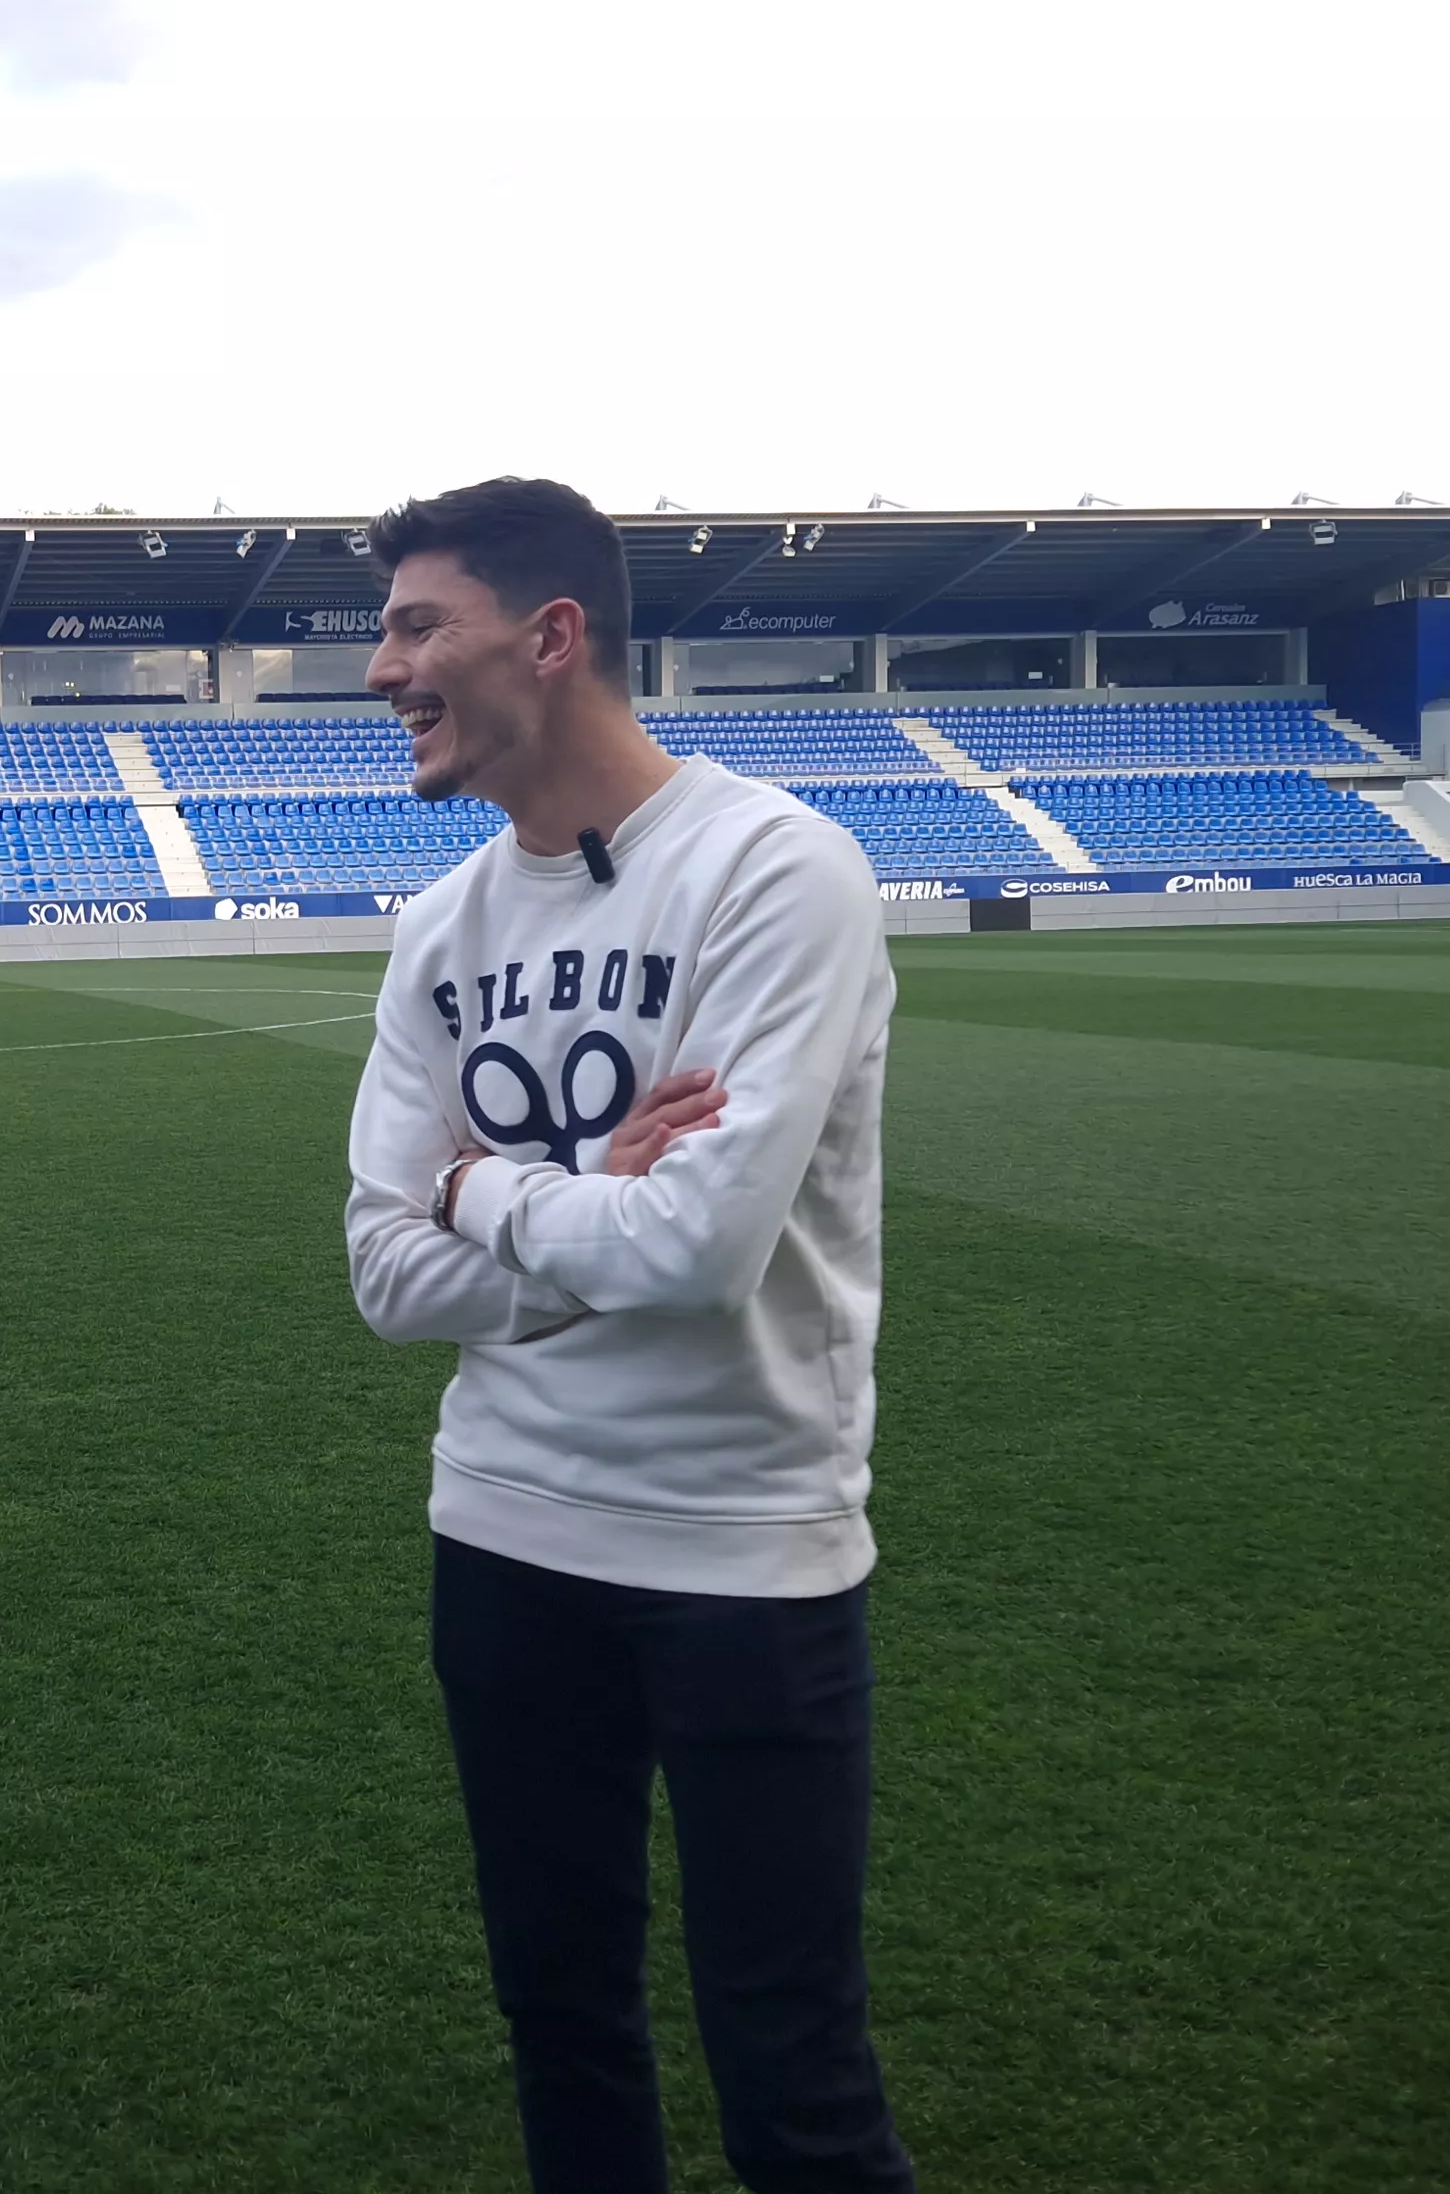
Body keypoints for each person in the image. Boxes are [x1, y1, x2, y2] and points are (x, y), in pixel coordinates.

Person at [342, 478, 913, 2193]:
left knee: (789, 2051)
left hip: (748, 1548)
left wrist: (491, 1193)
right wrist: (593, 1185)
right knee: (561, 2014)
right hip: (503, 1529)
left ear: (553, 635)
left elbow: (703, 1247)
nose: (382, 669)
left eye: (416, 624)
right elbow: (382, 1271)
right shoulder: (439, 930)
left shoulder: (776, 873)